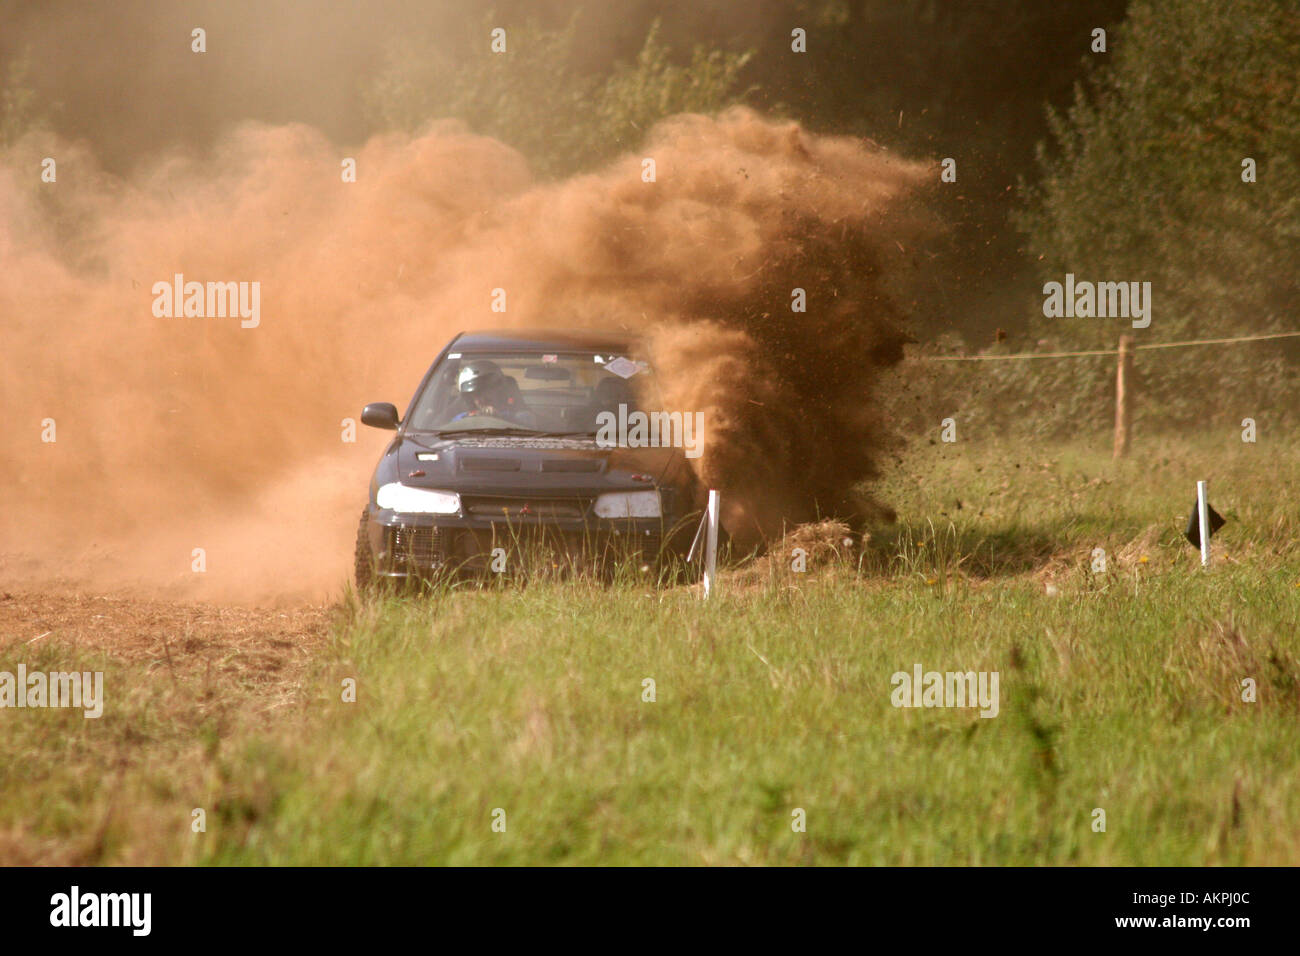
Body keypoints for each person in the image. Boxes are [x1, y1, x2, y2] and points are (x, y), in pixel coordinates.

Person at [450, 360, 535, 426]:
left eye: (486, 392)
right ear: (470, 399)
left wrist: (499, 418)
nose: (483, 399)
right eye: (477, 395)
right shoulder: (462, 418)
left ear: (500, 391)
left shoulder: (521, 416)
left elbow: (528, 424)